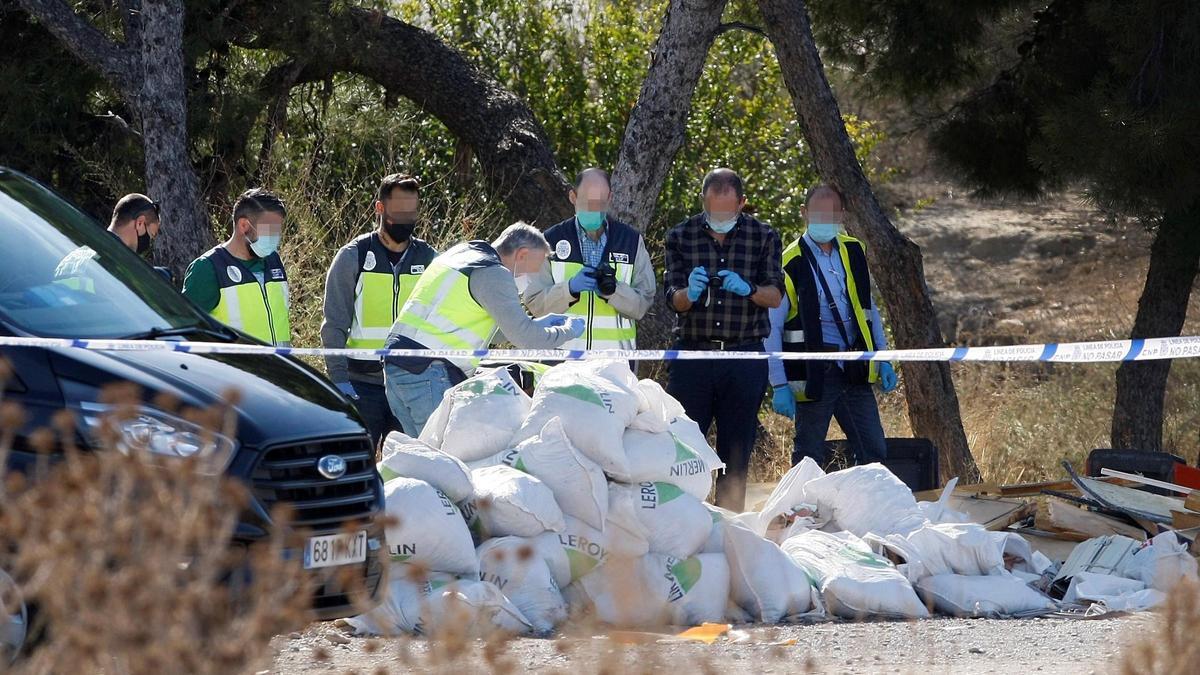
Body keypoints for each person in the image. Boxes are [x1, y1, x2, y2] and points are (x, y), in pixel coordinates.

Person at [383, 223, 585, 435]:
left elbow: (494, 326)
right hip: (430, 371)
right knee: (439, 456)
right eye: (532, 272)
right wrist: (569, 330)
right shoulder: (494, 273)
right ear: (522, 255)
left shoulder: (461, 255)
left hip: (398, 363)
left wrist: (539, 323)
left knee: (417, 455)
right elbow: (526, 339)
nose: (529, 280)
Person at [663, 168, 783, 510]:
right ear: (703, 202)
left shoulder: (764, 237)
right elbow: (671, 297)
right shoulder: (680, 236)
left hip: (744, 357)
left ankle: (729, 526)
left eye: (727, 213)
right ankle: (683, 518)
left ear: (742, 204)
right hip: (693, 357)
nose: (720, 219)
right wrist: (690, 292)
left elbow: (775, 295)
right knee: (685, 448)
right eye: (713, 211)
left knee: (736, 450)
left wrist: (749, 290)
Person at [765, 184, 898, 468]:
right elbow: (771, 328)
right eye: (818, 214)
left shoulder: (854, 250)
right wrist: (778, 383)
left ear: (841, 216)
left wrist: (883, 358)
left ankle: (873, 510)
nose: (825, 221)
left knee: (874, 451)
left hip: (854, 368)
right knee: (808, 458)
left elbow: (868, 310)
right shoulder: (790, 262)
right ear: (804, 213)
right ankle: (799, 511)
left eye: (831, 215)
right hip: (815, 374)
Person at [320, 173, 438, 448]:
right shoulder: (353, 256)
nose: (407, 217)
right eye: (399, 210)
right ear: (380, 208)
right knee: (356, 463)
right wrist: (338, 380)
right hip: (361, 385)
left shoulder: (430, 259)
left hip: (412, 383)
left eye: (412, 210)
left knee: (410, 470)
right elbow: (334, 324)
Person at [522, 168, 655, 350]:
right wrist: (569, 289)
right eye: (587, 202)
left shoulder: (630, 241)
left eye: (599, 202)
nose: (593, 208)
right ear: (573, 197)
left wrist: (614, 292)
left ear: (609, 199)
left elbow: (644, 303)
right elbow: (535, 304)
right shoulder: (550, 241)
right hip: (561, 362)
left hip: (615, 364)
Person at [182, 188, 292, 346]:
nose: (275, 237)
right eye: (270, 229)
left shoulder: (273, 260)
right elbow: (186, 331)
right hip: (234, 370)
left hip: (278, 369)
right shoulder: (207, 268)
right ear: (243, 225)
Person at [55, 193, 162, 289]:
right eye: (151, 236)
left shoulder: (75, 255)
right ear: (140, 223)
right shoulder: (118, 265)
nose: (149, 243)